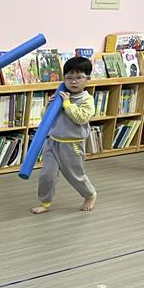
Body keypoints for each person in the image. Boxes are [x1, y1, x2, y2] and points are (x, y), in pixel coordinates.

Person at [30, 56, 98, 214]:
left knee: (75, 175)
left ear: (87, 79)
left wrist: (67, 104)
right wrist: (49, 106)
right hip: (53, 142)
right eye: (69, 78)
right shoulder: (60, 95)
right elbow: (45, 118)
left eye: (79, 77)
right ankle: (45, 202)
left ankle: (90, 194)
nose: (73, 81)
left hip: (72, 145)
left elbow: (81, 118)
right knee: (47, 175)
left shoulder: (87, 100)